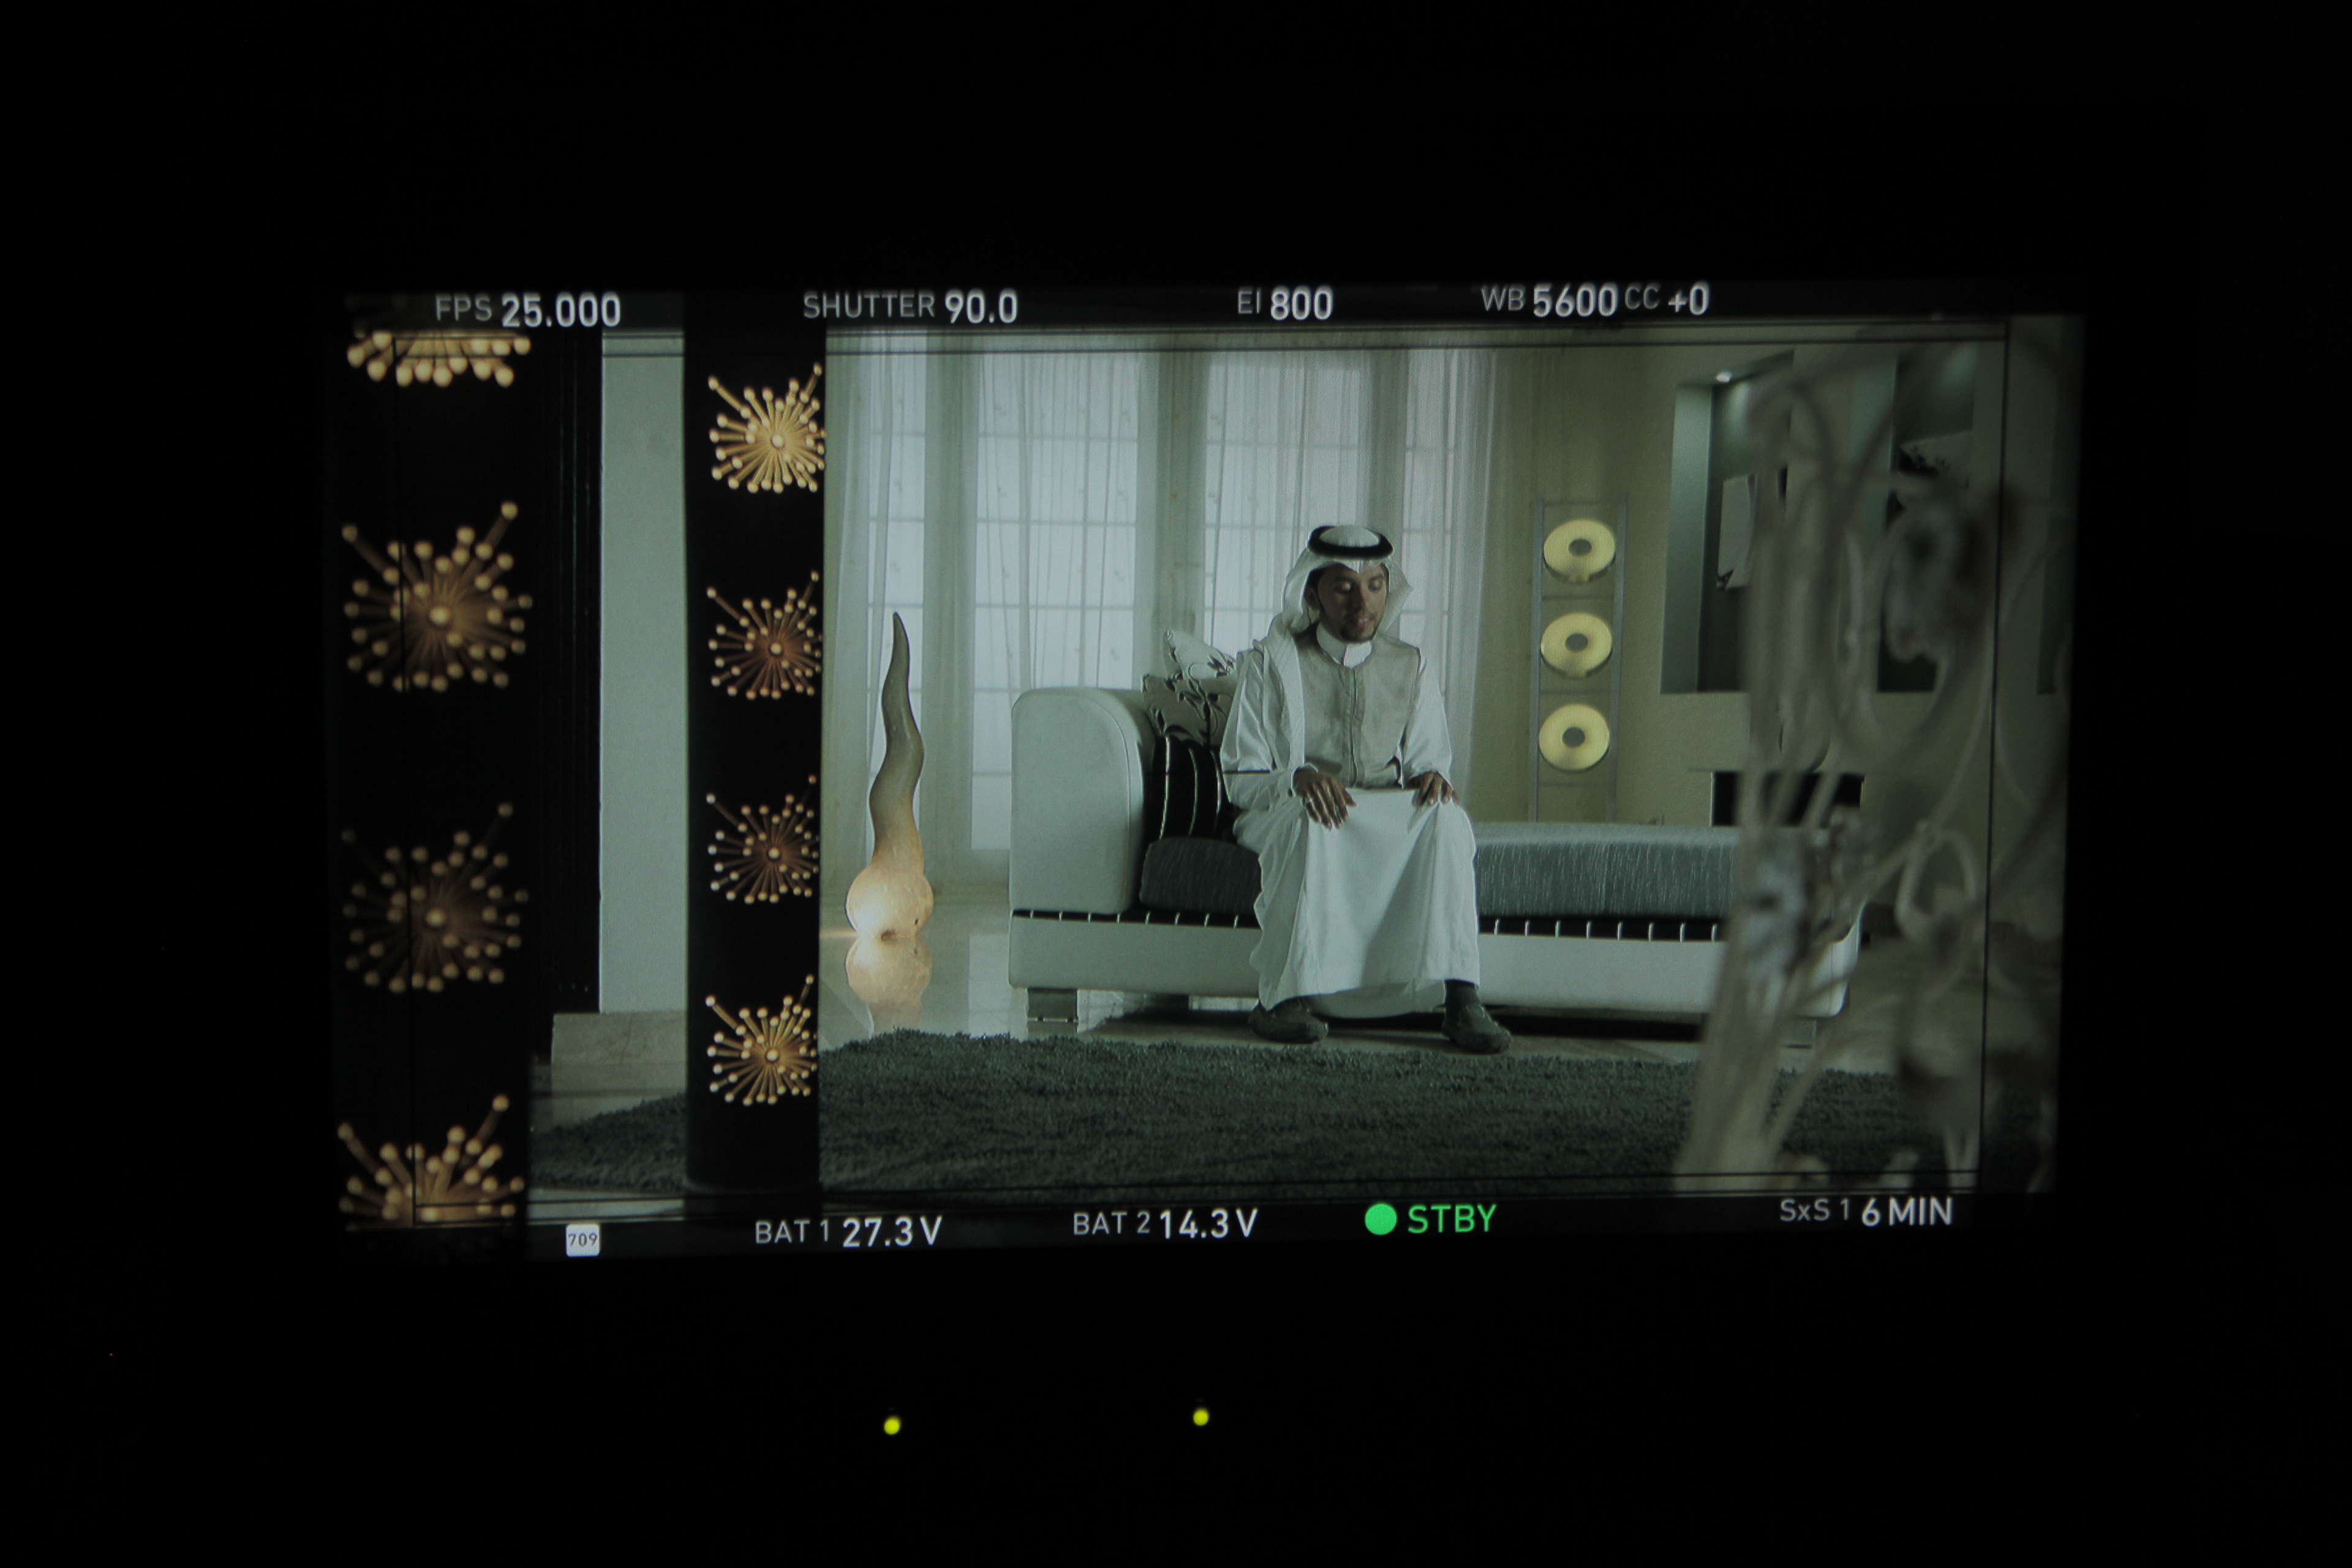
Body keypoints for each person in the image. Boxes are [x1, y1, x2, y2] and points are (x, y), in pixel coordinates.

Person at [1217, 525, 1510, 1053]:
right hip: (1289, 808)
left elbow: (1429, 759)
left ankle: (1462, 997)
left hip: (1378, 810)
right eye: (1344, 588)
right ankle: (1280, 1000)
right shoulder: (1272, 663)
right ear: (1313, 593)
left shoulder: (1411, 664)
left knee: (1447, 819)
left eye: (1375, 585)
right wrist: (1298, 777)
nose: (1363, 602)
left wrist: (1430, 776)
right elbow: (1241, 778)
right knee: (1314, 819)